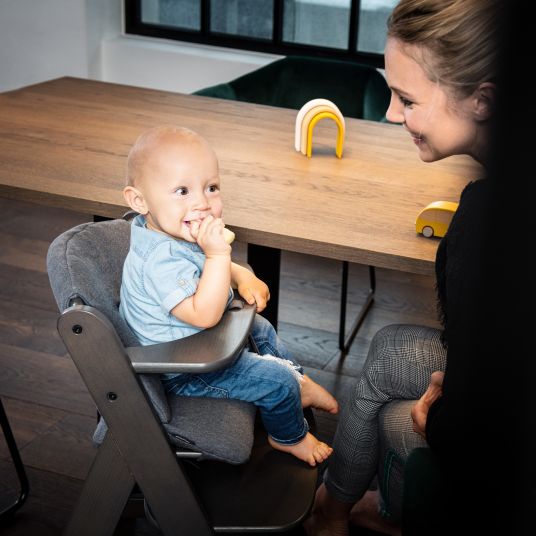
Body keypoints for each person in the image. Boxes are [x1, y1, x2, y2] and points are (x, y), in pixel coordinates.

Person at [304, 0, 509, 534]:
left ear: (482, 99)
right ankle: (337, 507)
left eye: (407, 99)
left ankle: (396, 513)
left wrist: (440, 412)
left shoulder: (492, 218)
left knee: (397, 415)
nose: (392, 113)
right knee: (393, 347)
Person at [119, 125, 339, 466]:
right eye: (182, 190)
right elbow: (204, 313)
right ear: (139, 200)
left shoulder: (171, 231)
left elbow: (201, 272)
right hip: (182, 369)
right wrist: (220, 256)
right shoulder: (159, 260)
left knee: (261, 328)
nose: (202, 203)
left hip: (199, 341)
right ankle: (288, 436)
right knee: (275, 383)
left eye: (211, 187)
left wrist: (240, 273)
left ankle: (300, 382)